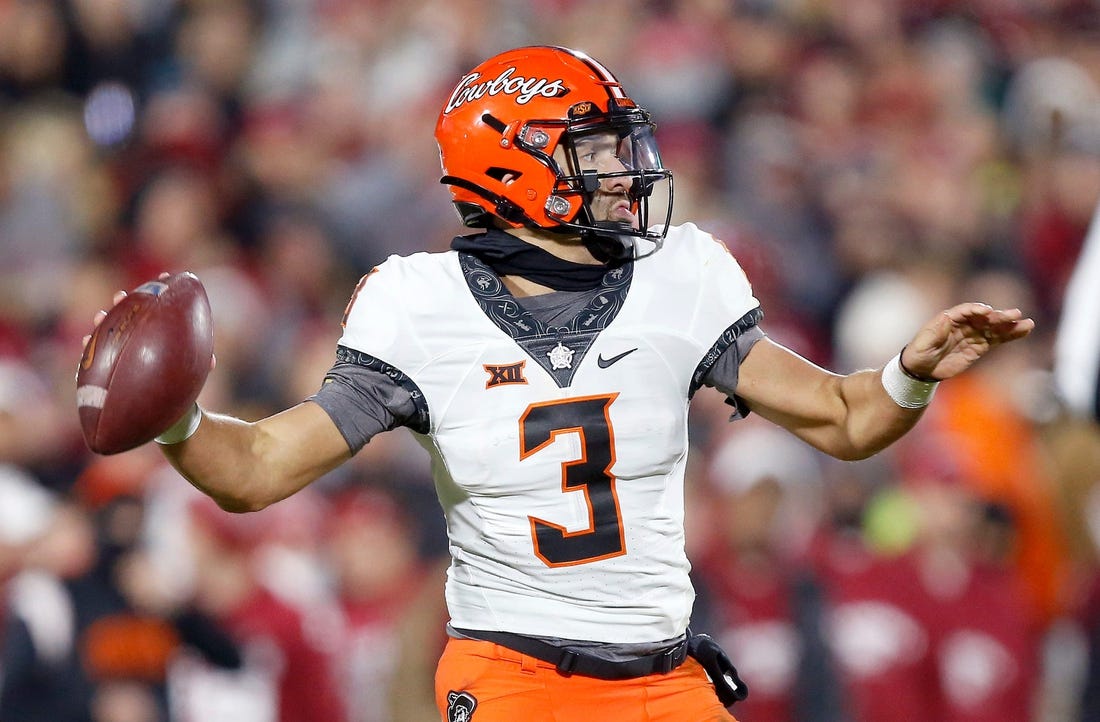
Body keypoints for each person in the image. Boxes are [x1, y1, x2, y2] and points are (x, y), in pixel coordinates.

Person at [85, 46, 1034, 721]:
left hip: (667, 682)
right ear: (514, 168)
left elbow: (843, 417)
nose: (626, 168)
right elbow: (255, 469)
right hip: (515, 681)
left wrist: (910, 373)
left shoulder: (681, 275)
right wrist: (175, 420)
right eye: (595, 148)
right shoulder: (421, 305)